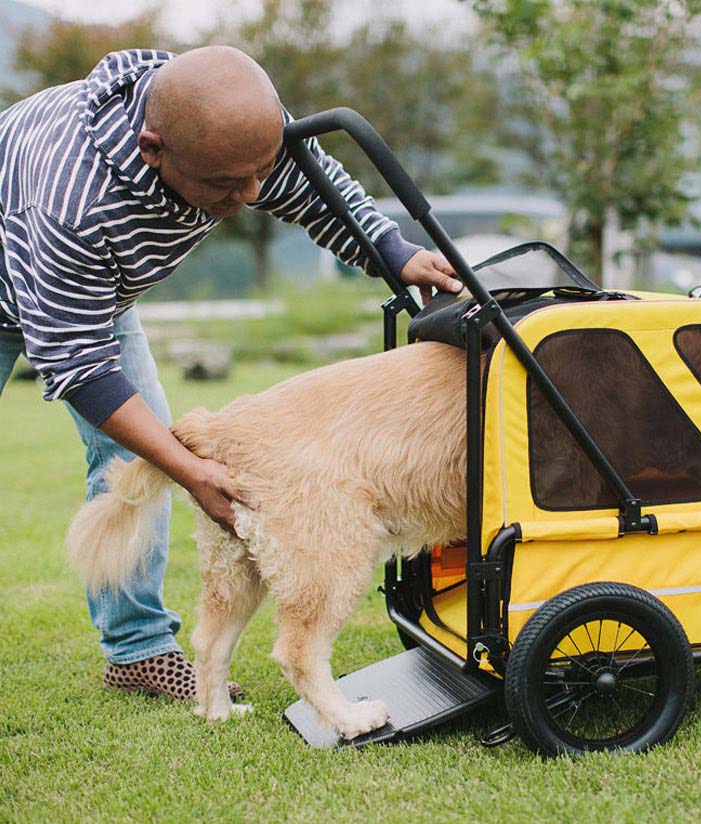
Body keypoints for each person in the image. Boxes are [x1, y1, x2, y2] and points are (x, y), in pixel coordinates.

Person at [0, 46, 462, 700]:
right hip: (28, 277)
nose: (248, 197)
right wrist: (194, 472)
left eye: (258, 173)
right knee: (154, 444)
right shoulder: (71, 197)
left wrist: (397, 252)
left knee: (133, 446)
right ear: (153, 149)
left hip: (97, 295)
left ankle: (137, 652)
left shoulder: (231, 121)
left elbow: (312, 188)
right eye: (225, 184)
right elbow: (77, 361)